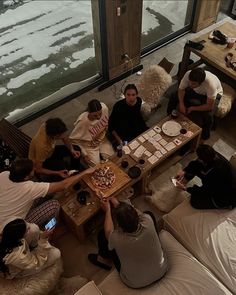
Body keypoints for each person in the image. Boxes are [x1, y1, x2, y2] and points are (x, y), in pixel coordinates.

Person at [88, 198, 168, 289]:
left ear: (120, 226)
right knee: (149, 213)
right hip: (162, 270)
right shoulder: (148, 220)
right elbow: (140, 214)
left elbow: (108, 231)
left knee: (102, 235)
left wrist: (108, 210)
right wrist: (121, 206)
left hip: (135, 282)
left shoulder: (116, 239)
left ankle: (103, 259)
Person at [0, 158, 94, 230]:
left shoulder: (4, 174)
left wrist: (58, 173)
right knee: (54, 205)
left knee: (45, 194)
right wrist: (84, 172)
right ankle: (49, 228)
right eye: (33, 170)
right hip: (12, 228)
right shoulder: (29, 187)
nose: (35, 169)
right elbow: (64, 185)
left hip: (5, 214)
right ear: (26, 177)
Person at [167, 68, 223, 140]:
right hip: (196, 90)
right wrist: (181, 103)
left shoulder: (210, 85)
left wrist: (192, 108)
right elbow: (181, 89)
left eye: (193, 83)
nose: (190, 84)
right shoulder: (188, 74)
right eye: (190, 82)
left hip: (211, 95)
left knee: (208, 115)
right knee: (174, 95)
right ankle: (169, 115)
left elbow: (209, 106)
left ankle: (204, 136)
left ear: (201, 82)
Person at [174, 144, 235, 209]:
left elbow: (205, 191)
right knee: (196, 166)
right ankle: (185, 179)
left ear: (204, 161)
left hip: (226, 195)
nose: (198, 159)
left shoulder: (215, 174)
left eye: (199, 158)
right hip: (217, 182)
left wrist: (185, 188)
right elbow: (196, 163)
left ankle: (227, 206)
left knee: (195, 202)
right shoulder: (212, 155)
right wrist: (184, 171)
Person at [69, 99, 114, 166]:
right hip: (89, 146)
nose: (98, 117)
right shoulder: (83, 121)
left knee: (113, 159)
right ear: (89, 112)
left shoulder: (104, 108)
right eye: (95, 115)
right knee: (96, 167)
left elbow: (105, 126)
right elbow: (73, 140)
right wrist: (84, 154)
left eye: (100, 114)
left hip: (102, 140)